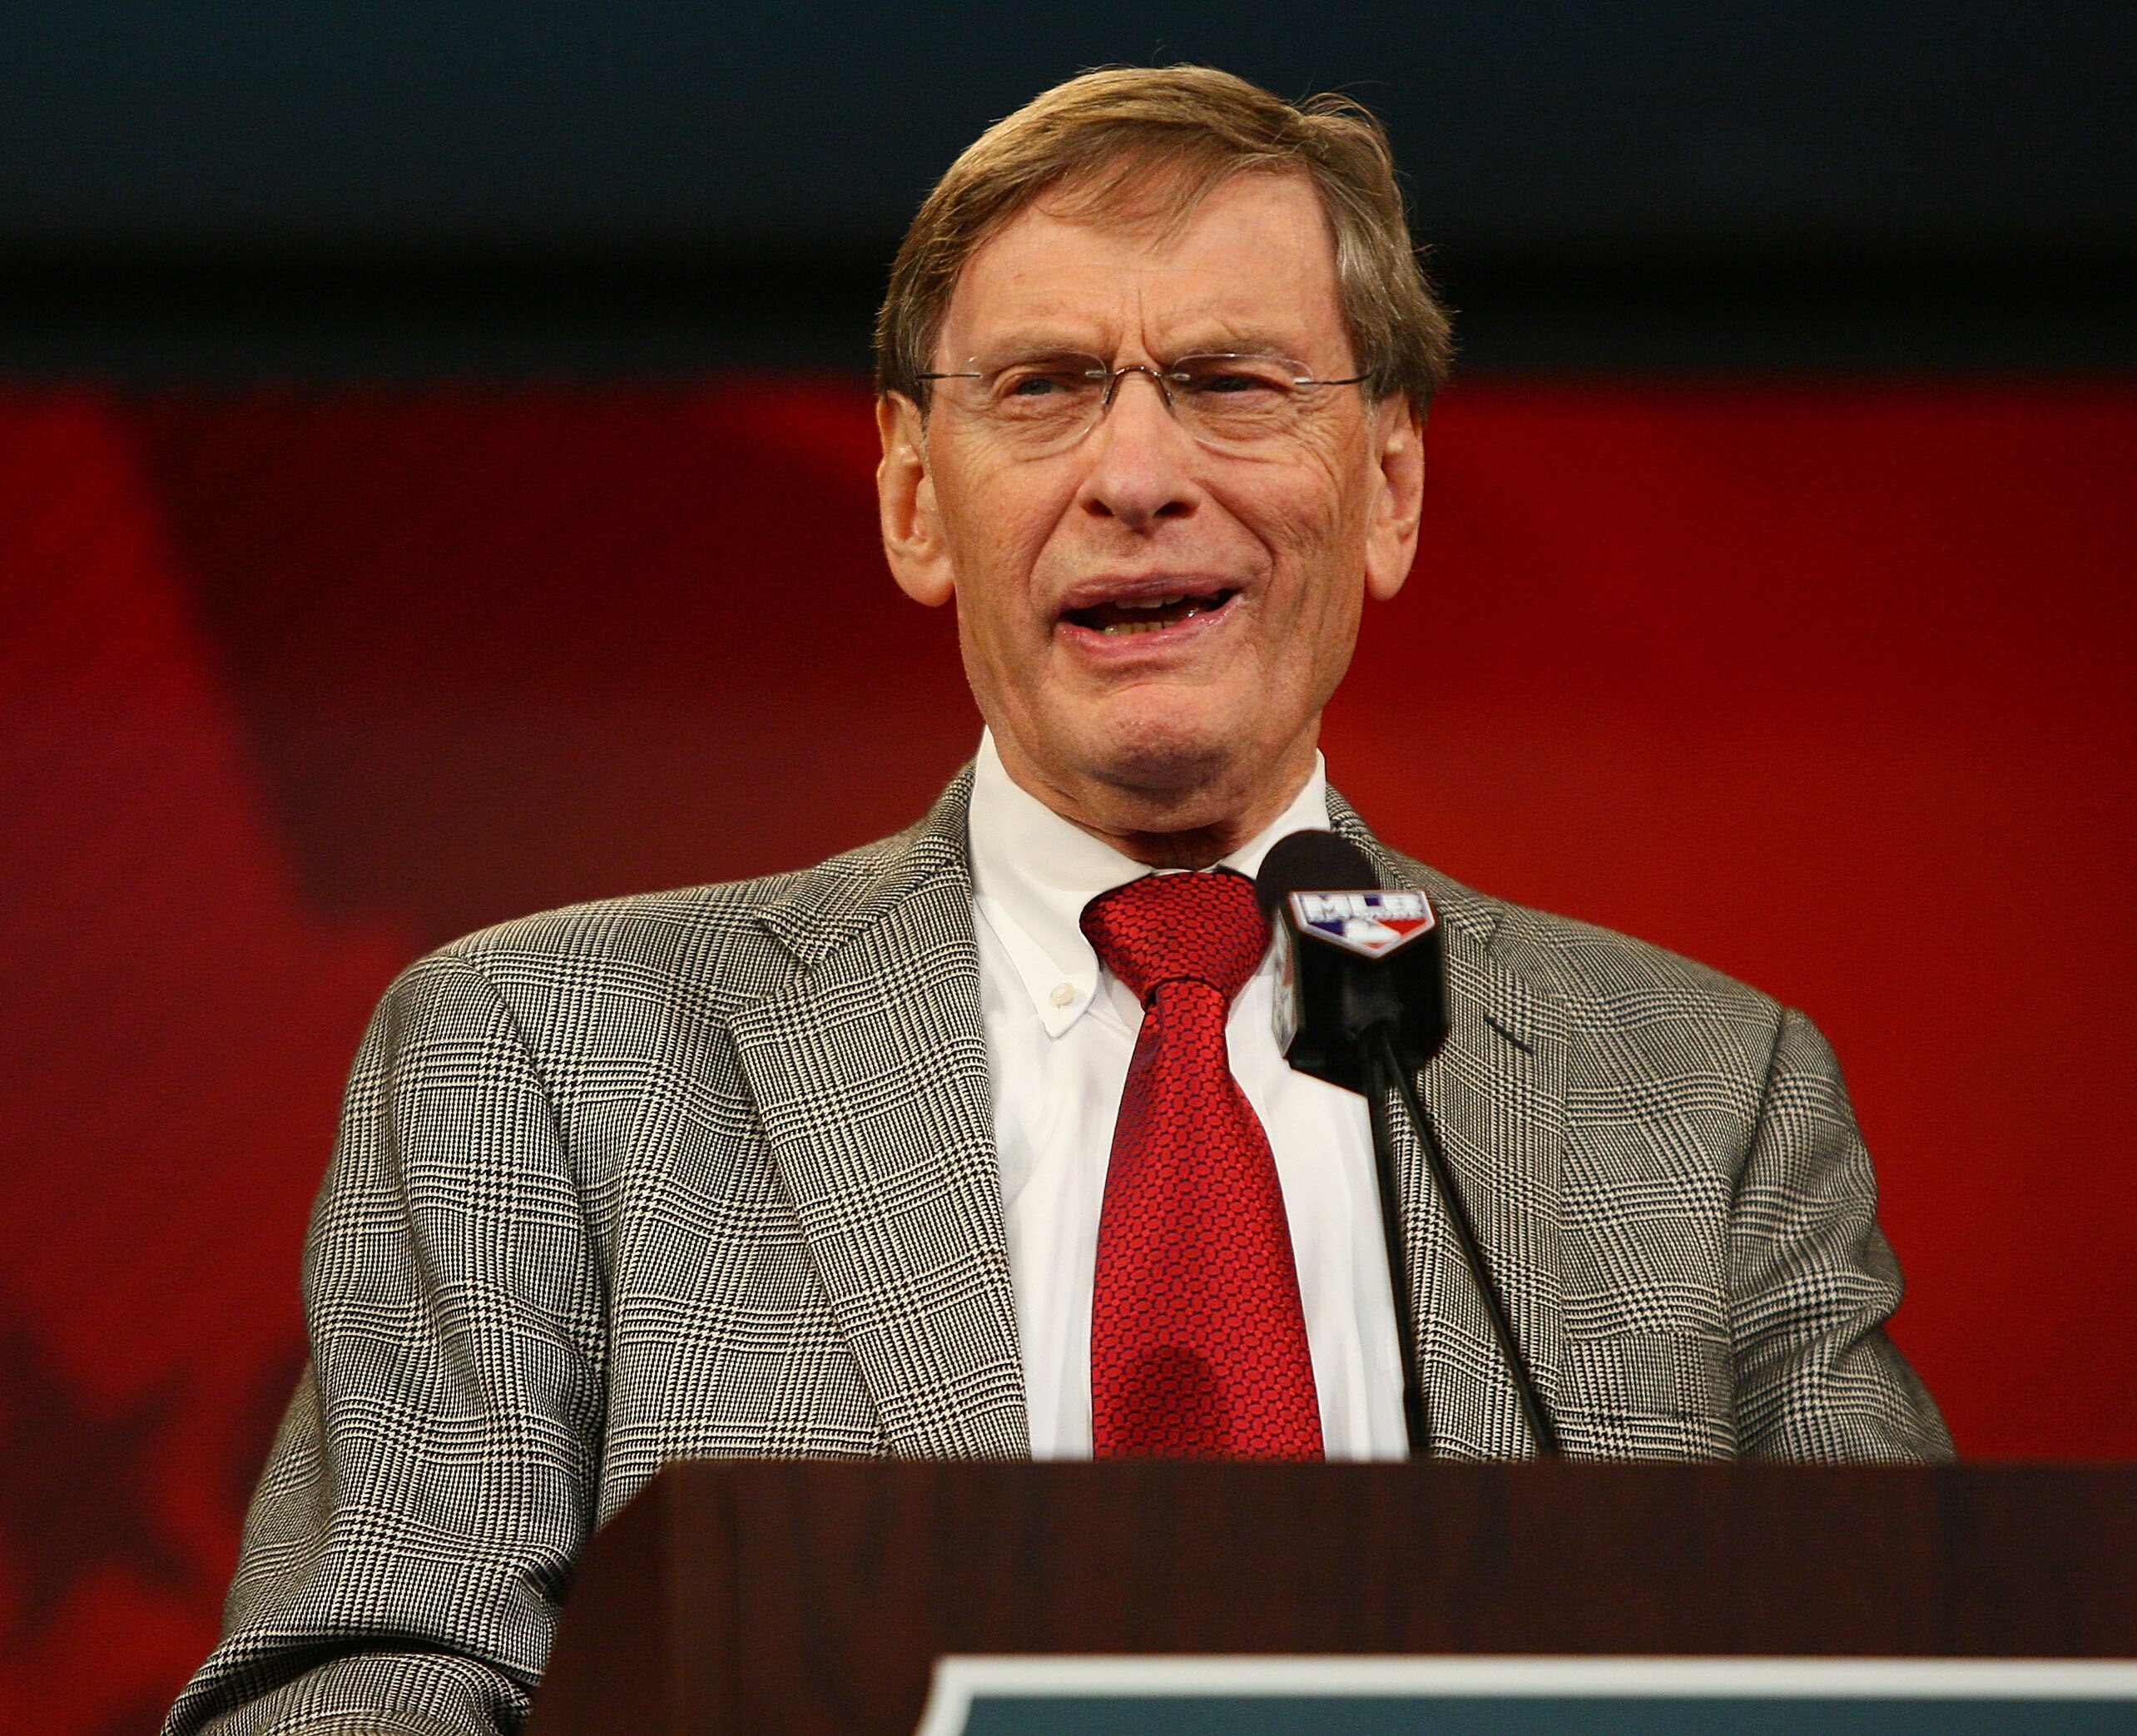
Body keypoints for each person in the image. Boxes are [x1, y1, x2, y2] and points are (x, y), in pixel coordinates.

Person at [165, 64, 1948, 1736]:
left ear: (1391, 486)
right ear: (913, 498)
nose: (1138, 475)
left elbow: (1921, 1676)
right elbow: (361, 1685)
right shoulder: (542, 1057)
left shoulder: (1704, 1096)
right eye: (1043, 388)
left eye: (1233, 381)